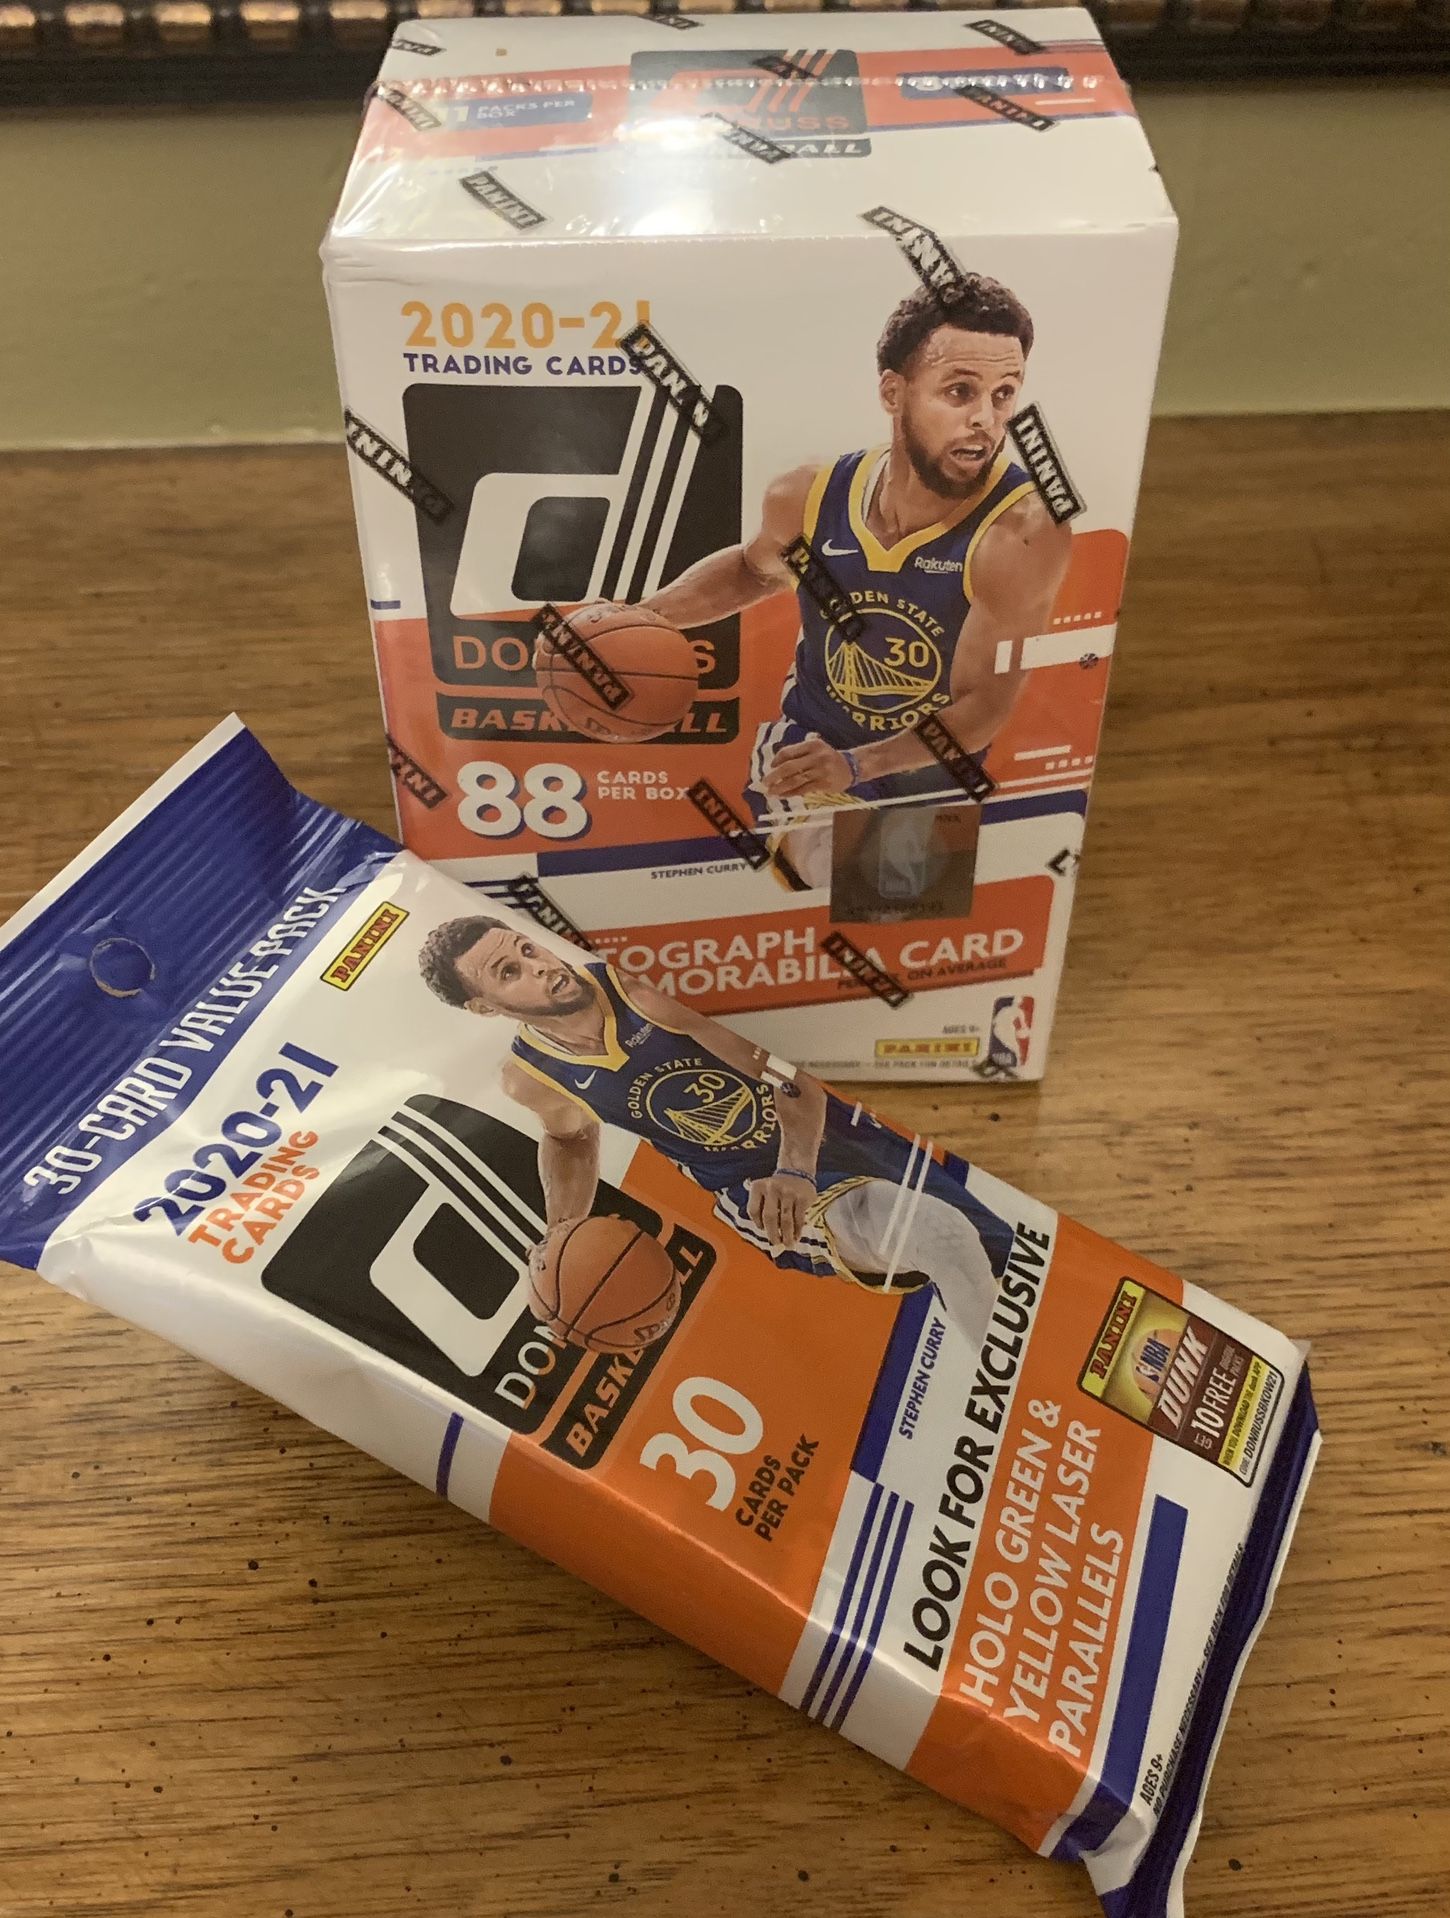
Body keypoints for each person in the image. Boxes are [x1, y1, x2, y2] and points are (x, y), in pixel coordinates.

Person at [634, 274, 1072, 887]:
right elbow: (753, 569)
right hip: (811, 742)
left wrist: (859, 765)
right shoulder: (808, 496)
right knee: (836, 881)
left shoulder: (1022, 531)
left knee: (899, 913)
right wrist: (640, 619)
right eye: (959, 391)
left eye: (1004, 394)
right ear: (894, 393)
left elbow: (983, 705)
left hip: (931, 762)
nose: (985, 418)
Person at [418, 916, 1012, 1349]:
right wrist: (561, 1232)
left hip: (832, 1136)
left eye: (528, 948)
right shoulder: (530, 1077)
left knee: (1005, 1269)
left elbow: (788, 1076)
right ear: (485, 1007)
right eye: (510, 972)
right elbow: (570, 1137)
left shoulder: (641, 990)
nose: (542, 966)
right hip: (757, 1187)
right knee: (940, 1235)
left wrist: (797, 1165)